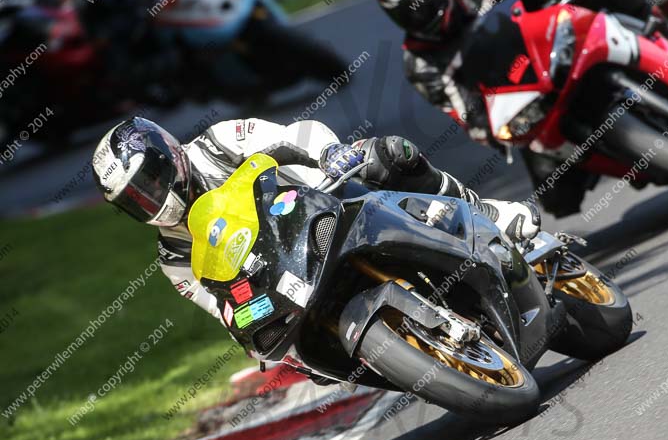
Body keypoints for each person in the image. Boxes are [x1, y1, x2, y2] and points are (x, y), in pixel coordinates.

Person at [91, 117, 541, 323]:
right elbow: (220, 310)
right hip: (291, 278)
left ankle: (486, 213)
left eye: (147, 182)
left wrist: (329, 154)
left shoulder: (214, 145)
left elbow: (292, 135)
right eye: (134, 200)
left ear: (167, 155)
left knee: (390, 156)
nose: (150, 199)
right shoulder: (173, 252)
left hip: (324, 203)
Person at [374, 0, 668, 216]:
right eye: (408, 14)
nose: (422, 16)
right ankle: (634, 158)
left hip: (555, 45)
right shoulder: (419, 62)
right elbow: (461, 112)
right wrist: (487, 129)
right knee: (557, 199)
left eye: (425, 3)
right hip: (524, 103)